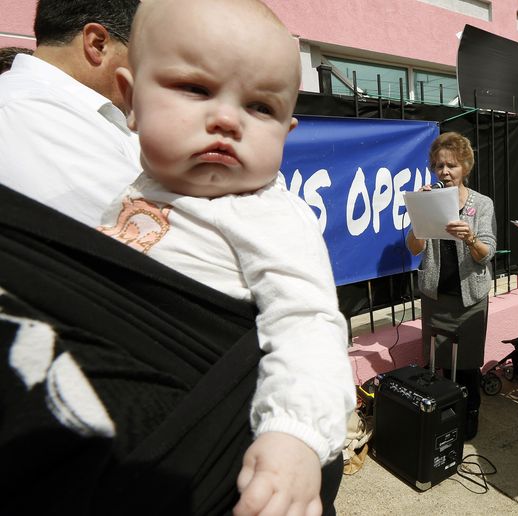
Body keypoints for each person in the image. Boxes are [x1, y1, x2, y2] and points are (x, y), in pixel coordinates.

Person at [94, 1, 355, 514]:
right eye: (194, 89)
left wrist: (295, 435)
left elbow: (308, 324)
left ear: (287, 131)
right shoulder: (132, 190)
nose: (226, 119)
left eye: (261, 108)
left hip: (217, 448)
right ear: (129, 98)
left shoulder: (267, 215)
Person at [0, 0, 141, 227]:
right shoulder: (29, 109)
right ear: (97, 44)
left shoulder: (66, 108)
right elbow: (146, 229)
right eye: (146, 56)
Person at [406, 131, 497, 441]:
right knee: (436, 362)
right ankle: (441, 413)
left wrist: (470, 237)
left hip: (470, 298)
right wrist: (418, 213)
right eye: (439, 165)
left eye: (452, 166)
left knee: (469, 366)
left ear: (465, 167)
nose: (445, 172)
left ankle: (471, 412)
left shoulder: (480, 204)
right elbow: (415, 248)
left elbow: (487, 253)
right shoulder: (428, 199)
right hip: (436, 295)